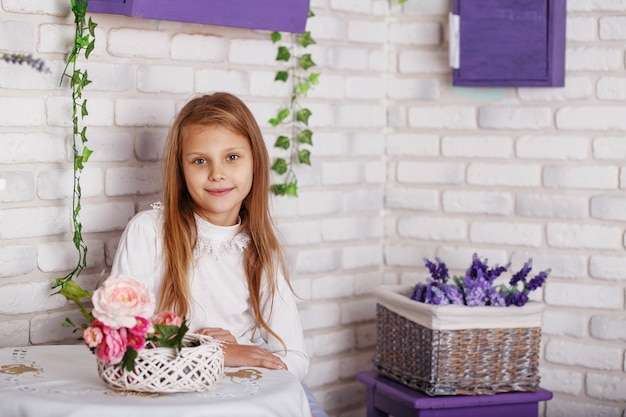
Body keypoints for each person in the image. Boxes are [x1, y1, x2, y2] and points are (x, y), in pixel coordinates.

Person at [110, 92, 326, 416]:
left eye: (233, 157)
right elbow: (119, 346)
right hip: (175, 394)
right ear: (180, 170)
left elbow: (294, 359)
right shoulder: (149, 232)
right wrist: (216, 353)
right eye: (200, 161)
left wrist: (239, 352)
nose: (217, 173)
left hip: (246, 394)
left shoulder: (261, 251)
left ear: (255, 162)